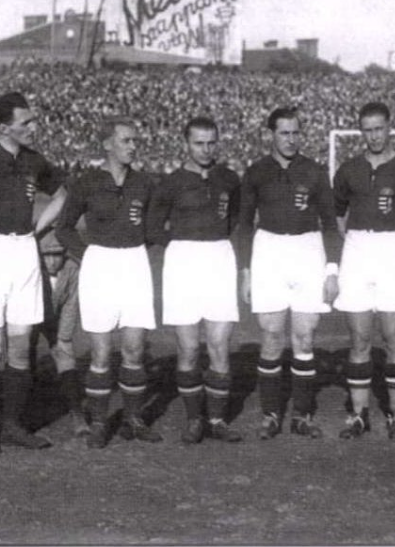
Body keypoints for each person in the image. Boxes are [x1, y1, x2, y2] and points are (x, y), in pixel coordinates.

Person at [0, 92, 67, 455]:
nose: (33, 127)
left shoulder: (34, 161)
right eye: (26, 122)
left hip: (25, 250)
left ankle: (12, 425)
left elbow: (63, 194)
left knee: (22, 346)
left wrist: (36, 229)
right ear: (3, 128)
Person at [56, 117, 161, 448]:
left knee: (134, 348)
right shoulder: (86, 182)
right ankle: (100, 422)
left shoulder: (144, 183)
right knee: (101, 352)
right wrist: (87, 255)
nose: (133, 146)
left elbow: (152, 228)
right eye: (126, 140)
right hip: (99, 264)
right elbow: (64, 228)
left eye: (134, 140)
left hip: (134, 264)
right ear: (107, 144)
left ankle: (133, 419)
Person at [238, 107, 340, 440]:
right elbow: (244, 225)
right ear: (271, 135)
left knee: (305, 336)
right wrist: (245, 271)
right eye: (284, 133)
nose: (291, 139)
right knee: (270, 335)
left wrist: (332, 270)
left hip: (308, 249)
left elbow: (330, 224)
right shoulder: (256, 172)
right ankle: (271, 414)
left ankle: (302, 415)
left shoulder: (315, 171)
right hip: (268, 250)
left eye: (296, 133)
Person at [147, 116, 244, 444]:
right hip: (182, 262)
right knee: (188, 347)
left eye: (211, 143)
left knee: (219, 344)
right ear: (186, 144)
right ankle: (194, 420)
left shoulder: (229, 179)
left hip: (219, 258)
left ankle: (217, 419)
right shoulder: (170, 183)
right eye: (199, 143)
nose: (206, 149)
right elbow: (152, 227)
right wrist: (181, 243)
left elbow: (236, 218)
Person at [331, 102, 395, 440]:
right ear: (361, 132)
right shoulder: (348, 169)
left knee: (394, 338)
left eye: (379, 128)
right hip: (357, 248)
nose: (374, 136)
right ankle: (358, 415)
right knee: (359, 339)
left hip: (392, 248)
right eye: (368, 130)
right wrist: (355, 242)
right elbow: (337, 215)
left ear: (389, 127)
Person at [33, 197, 86, 438]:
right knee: (23, 352)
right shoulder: (32, 268)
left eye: (58, 255)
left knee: (65, 352)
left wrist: (63, 337)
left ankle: (77, 413)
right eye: (47, 255)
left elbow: (72, 304)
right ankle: (27, 406)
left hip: (56, 316)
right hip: (31, 315)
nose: (53, 262)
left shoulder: (72, 269)